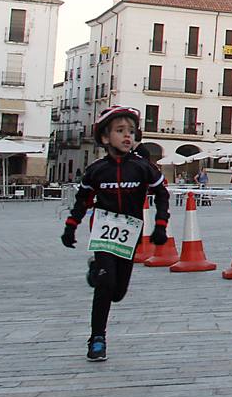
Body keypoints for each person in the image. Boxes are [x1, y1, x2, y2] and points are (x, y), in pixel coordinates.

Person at [61, 106, 171, 362]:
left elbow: (162, 194)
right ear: (104, 137)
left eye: (131, 132)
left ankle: (95, 271)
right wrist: (70, 226)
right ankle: (97, 338)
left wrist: (161, 225)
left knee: (118, 293)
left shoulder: (142, 167)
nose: (127, 137)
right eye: (120, 131)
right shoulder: (97, 170)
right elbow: (83, 199)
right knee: (106, 283)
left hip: (130, 234)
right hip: (103, 234)